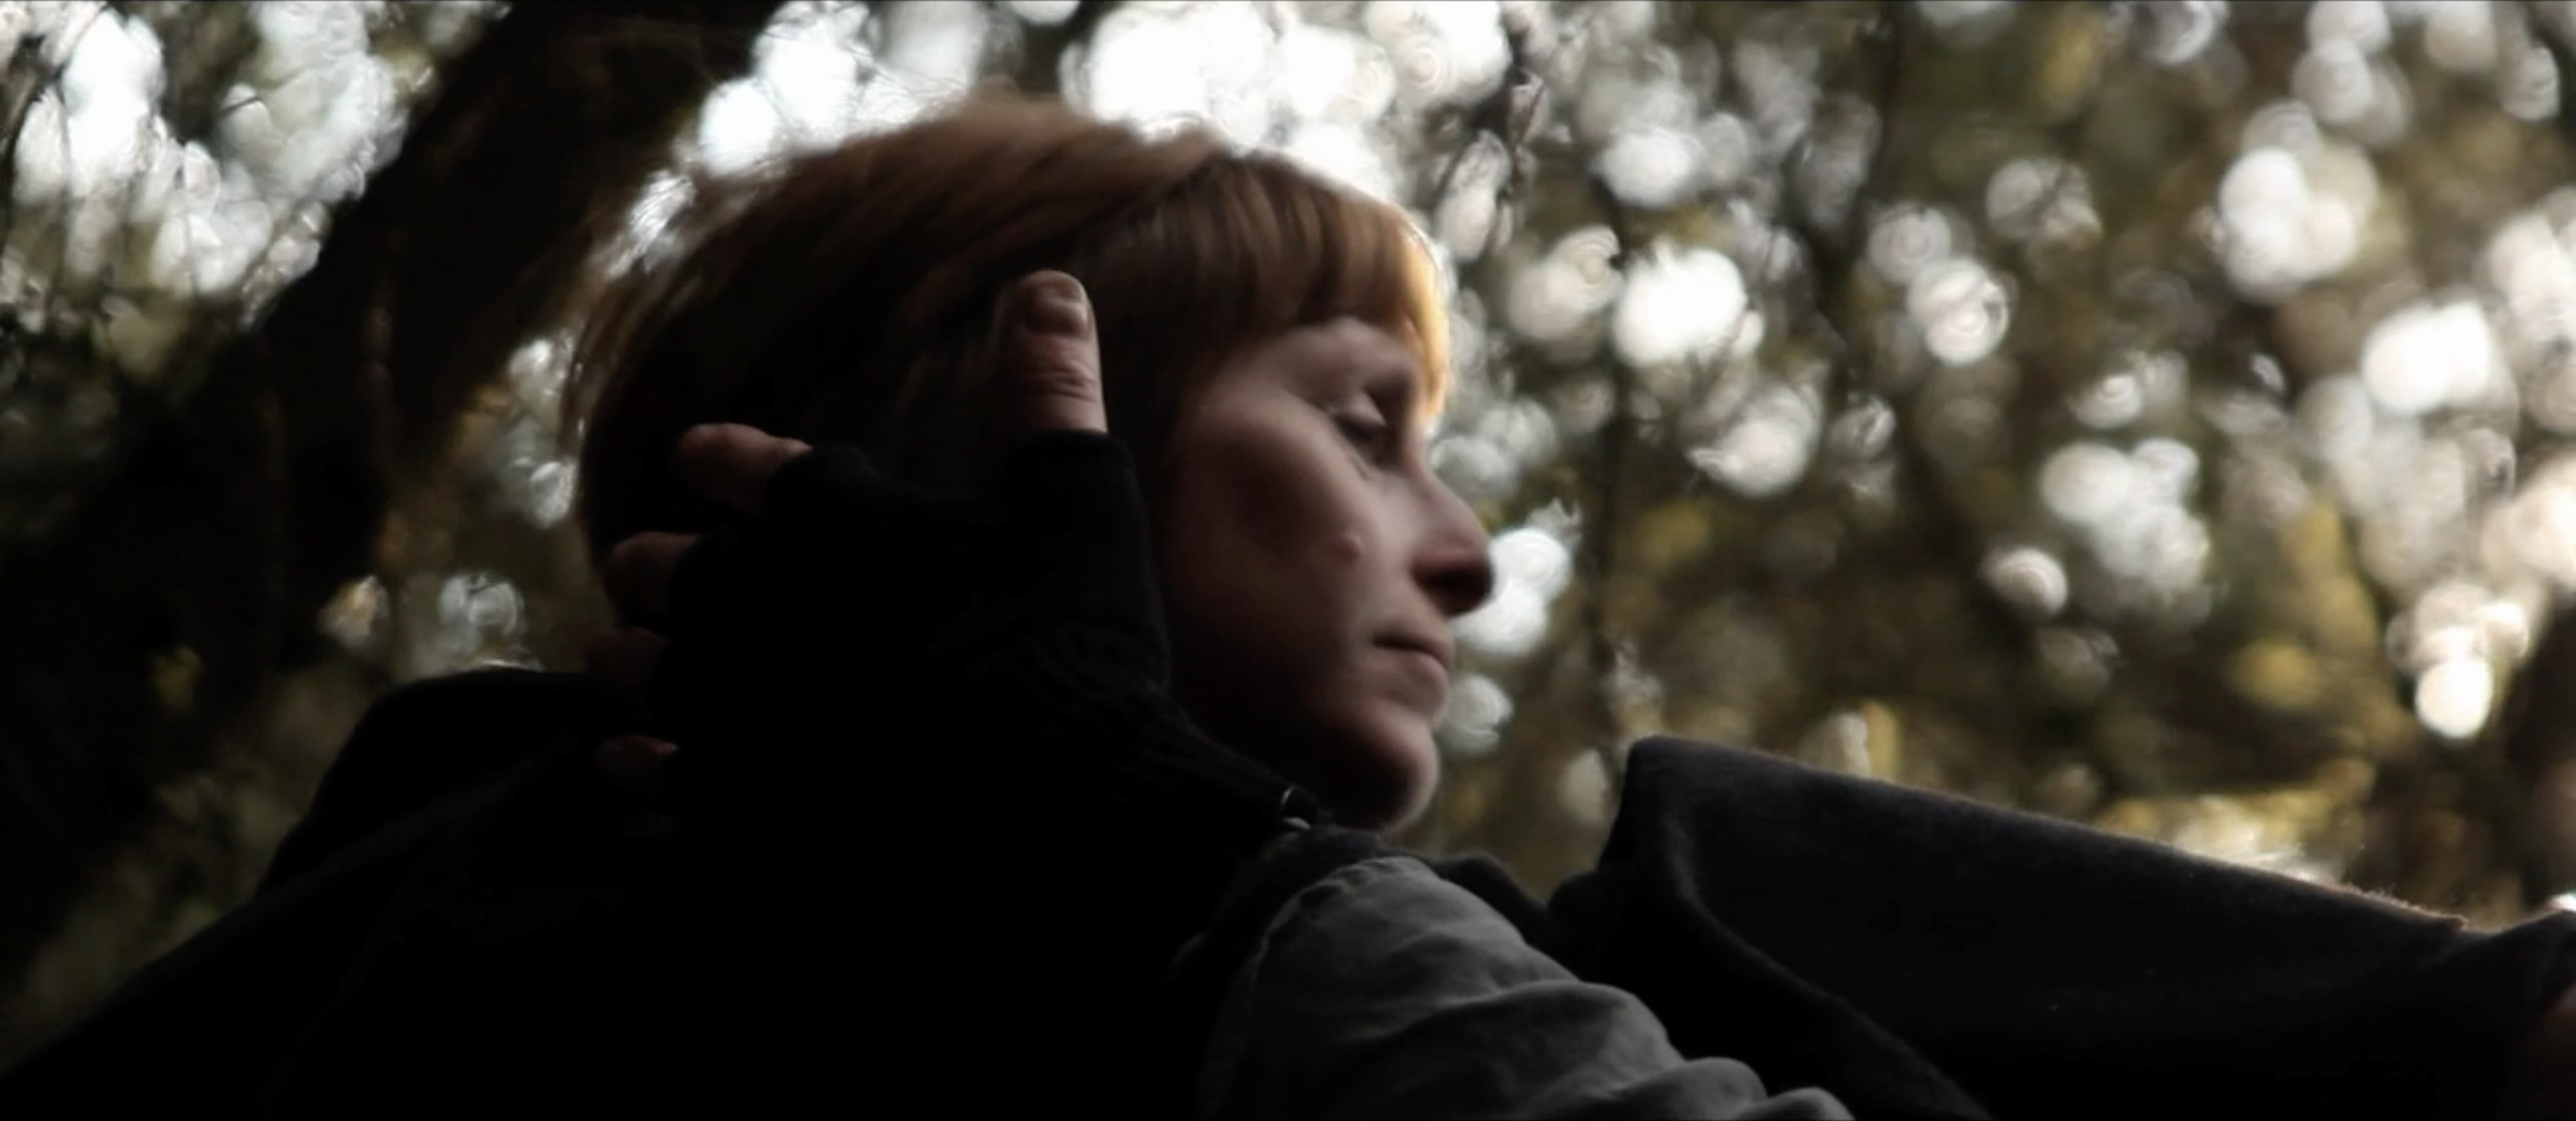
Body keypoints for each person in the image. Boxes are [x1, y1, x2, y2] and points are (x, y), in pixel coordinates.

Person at [5, 94, 2576, 1119]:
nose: (1463, 548)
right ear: (1018, 435)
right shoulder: (529, 910)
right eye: (1358, 422)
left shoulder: (1602, 953)